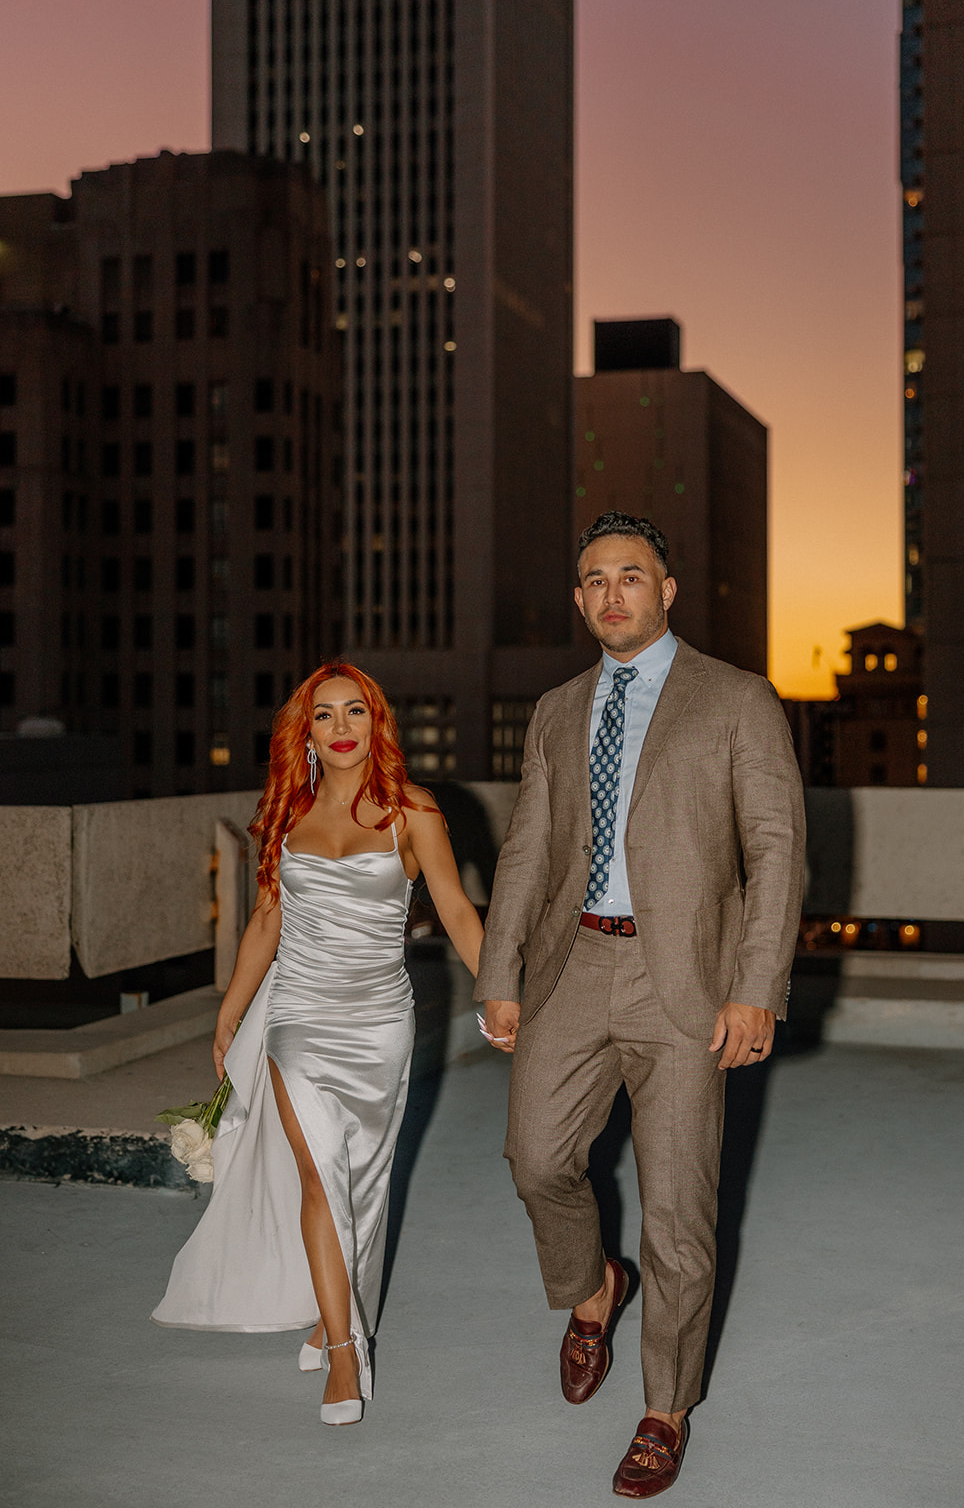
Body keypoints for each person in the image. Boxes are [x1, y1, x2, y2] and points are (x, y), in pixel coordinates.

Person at [473, 511, 805, 1498]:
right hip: (571, 964)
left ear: (666, 589)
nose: (611, 592)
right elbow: (528, 846)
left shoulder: (737, 700)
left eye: (631, 574)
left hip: (690, 984)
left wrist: (756, 985)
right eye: (592, 579)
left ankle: (663, 1408)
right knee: (534, 1156)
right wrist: (497, 969)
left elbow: (776, 850)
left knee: (678, 1212)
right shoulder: (554, 708)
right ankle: (591, 1288)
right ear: (578, 601)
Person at [153, 661, 483, 1426]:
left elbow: (460, 914)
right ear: (305, 731)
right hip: (296, 1016)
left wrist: (504, 993)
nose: (340, 729)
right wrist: (232, 1010)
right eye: (324, 715)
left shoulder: (413, 813)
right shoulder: (286, 813)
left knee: (362, 1177)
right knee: (316, 1175)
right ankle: (343, 1352)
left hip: (379, 1021)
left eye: (354, 713)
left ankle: (330, 1314)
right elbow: (265, 923)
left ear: (378, 725)